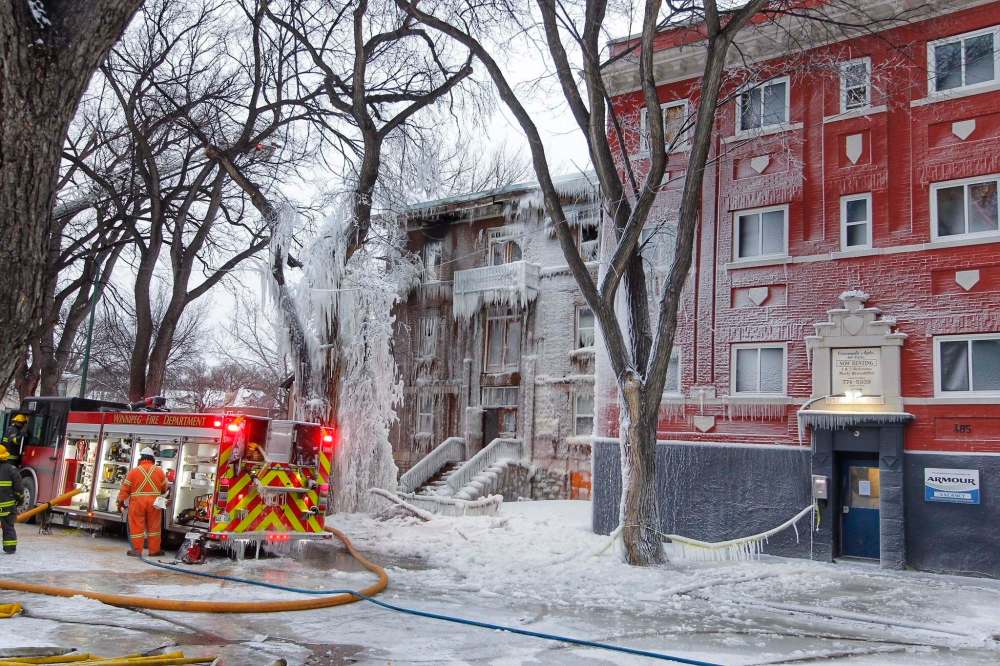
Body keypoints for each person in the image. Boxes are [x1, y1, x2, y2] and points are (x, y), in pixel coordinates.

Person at [117, 447, 167, 557]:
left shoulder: (133, 472)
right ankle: (154, 551)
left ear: (141, 458)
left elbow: (125, 489)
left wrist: (120, 502)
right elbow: (164, 489)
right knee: (154, 528)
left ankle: (137, 550)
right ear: (152, 459)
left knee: (136, 527)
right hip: (154, 504)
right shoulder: (159, 471)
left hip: (137, 503)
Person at [0, 445, 25, 554]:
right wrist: (20, 500)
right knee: (8, 527)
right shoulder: (12, 470)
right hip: (7, 506)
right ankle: (9, 548)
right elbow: (19, 489)